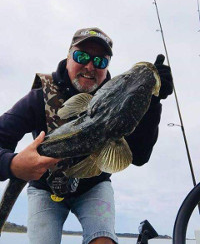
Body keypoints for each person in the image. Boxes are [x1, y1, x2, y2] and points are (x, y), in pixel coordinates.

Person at [0, 27, 173, 244]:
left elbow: (138, 156)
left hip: (93, 187)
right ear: (68, 56)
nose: (90, 66)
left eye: (100, 61)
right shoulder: (38, 98)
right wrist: (13, 164)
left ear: (107, 67)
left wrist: (153, 101)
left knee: (103, 241)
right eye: (82, 56)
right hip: (44, 187)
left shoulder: (121, 100)